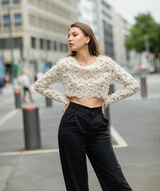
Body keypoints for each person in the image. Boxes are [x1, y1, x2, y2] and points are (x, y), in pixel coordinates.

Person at [34, 22, 140, 191]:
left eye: (74, 35)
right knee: (76, 184)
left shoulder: (106, 63)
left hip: (97, 121)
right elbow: (40, 85)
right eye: (68, 35)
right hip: (72, 121)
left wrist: (107, 100)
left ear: (87, 39)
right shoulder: (65, 64)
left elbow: (133, 85)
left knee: (116, 181)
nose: (70, 38)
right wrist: (65, 99)